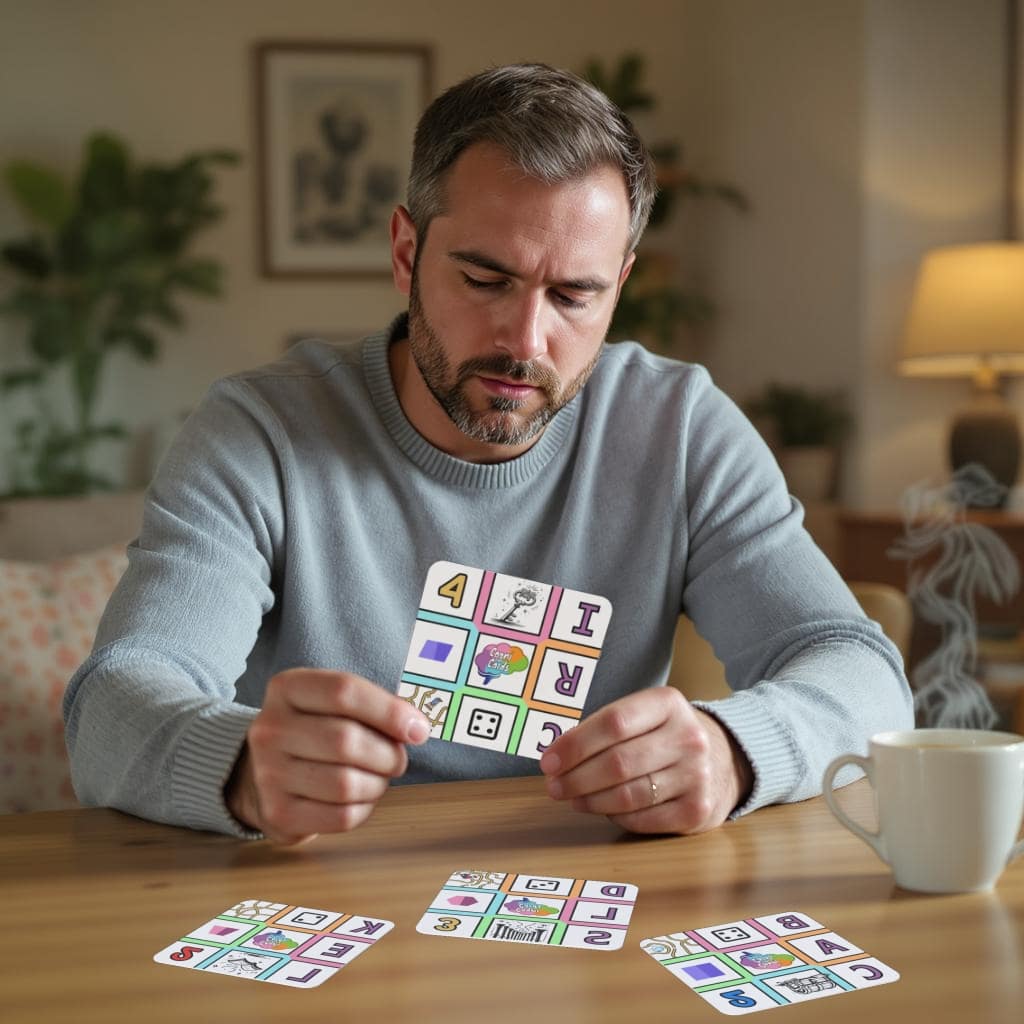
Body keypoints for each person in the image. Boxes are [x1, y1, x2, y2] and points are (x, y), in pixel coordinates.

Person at [63, 63, 913, 844]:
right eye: (484, 280)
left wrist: (736, 749)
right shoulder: (259, 432)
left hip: (588, 909)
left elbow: (860, 671)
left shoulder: (679, 428)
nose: (525, 340)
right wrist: (241, 767)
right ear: (406, 254)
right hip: (320, 898)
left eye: (574, 295)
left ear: (619, 287)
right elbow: (115, 703)